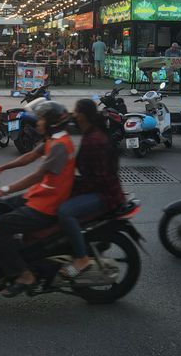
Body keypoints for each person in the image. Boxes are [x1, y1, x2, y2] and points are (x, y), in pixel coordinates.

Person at [0, 102, 75, 297]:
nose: (38, 122)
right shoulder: (52, 139)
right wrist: (2, 168)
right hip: (39, 195)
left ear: (51, 123)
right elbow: (31, 155)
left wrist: (4, 190)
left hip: (48, 205)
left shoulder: (60, 145)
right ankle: (19, 254)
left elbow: (36, 176)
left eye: (41, 119)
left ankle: (25, 275)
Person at [58, 99, 124, 279]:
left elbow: (99, 179)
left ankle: (81, 258)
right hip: (97, 188)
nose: (73, 114)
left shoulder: (95, 140)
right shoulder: (89, 134)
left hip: (105, 195)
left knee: (64, 212)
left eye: (76, 111)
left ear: (84, 115)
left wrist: (74, 187)